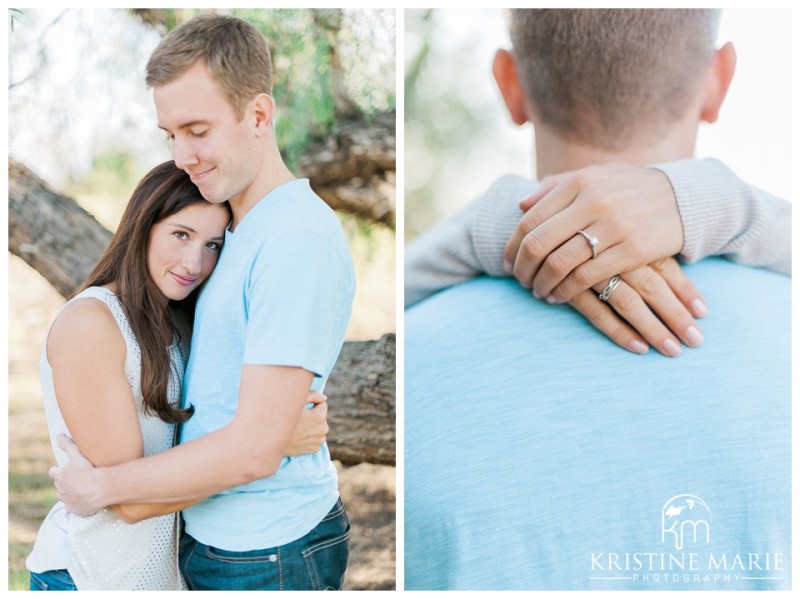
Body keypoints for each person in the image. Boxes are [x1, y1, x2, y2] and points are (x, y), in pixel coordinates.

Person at [404, 9, 790, 590]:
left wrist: (505, 225)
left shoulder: (411, 344)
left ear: (509, 85)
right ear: (720, 80)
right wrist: (726, 205)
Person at [48, 15, 356, 591]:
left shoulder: (296, 239)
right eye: (170, 135)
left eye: (197, 130)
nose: (182, 154)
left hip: (269, 551)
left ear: (259, 115)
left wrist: (100, 488)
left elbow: (253, 453)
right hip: (216, 541)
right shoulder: (236, 229)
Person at [26, 161, 328, 590]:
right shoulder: (91, 324)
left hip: (157, 577)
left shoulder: (178, 321)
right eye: (181, 235)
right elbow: (129, 499)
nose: (194, 262)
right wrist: (272, 442)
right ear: (143, 226)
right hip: (87, 576)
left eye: (213, 245)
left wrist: (268, 428)